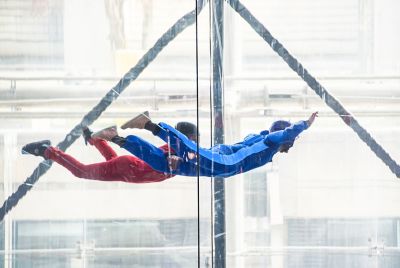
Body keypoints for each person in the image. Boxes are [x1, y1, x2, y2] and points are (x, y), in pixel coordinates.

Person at [94, 111, 318, 178]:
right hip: (224, 164)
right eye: (292, 141)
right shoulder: (270, 141)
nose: (292, 145)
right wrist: (305, 124)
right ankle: (149, 124)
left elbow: (237, 147)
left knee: (166, 166)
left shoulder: (261, 141)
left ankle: (116, 137)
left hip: (221, 163)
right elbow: (285, 132)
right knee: (189, 149)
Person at [21, 122, 198, 183]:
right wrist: (172, 158)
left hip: (131, 170)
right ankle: (46, 150)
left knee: (112, 160)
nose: (196, 141)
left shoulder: (183, 151)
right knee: (81, 172)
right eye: (194, 137)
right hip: (130, 169)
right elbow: (169, 157)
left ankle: (94, 138)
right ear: (186, 137)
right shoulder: (178, 150)